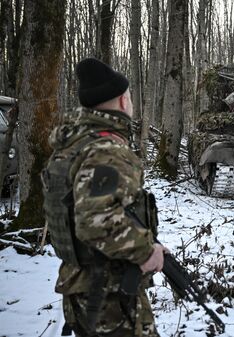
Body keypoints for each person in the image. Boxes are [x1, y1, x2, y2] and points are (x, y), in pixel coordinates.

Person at [43, 58, 167, 336]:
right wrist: (145, 251)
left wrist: (147, 241)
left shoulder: (75, 144)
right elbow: (95, 221)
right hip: (109, 292)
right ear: (123, 102)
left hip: (85, 285)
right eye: (130, 98)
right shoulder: (106, 150)